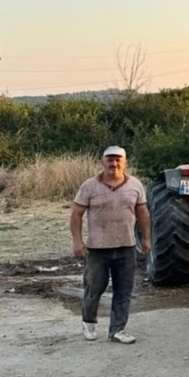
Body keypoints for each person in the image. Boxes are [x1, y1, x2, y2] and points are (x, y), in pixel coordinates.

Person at [70, 145, 151, 344]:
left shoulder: (135, 185)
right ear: (103, 162)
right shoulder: (89, 186)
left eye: (118, 160)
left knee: (124, 291)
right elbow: (76, 214)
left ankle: (117, 330)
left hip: (126, 247)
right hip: (97, 249)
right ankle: (89, 321)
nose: (114, 164)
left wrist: (147, 238)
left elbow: (142, 213)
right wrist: (77, 241)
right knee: (94, 288)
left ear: (125, 162)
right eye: (110, 160)